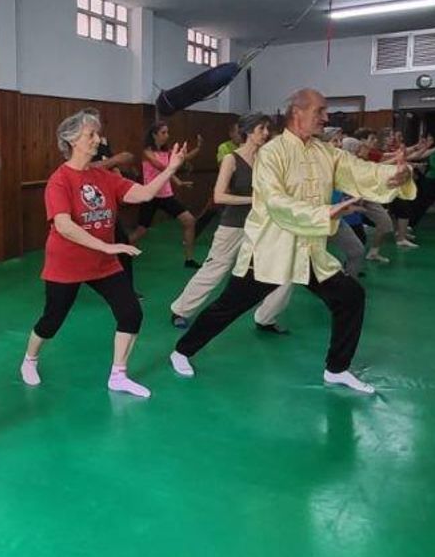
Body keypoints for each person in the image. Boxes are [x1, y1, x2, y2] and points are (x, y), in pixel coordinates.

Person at [168, 89, 416, 394]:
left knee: (351, 297)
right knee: (229, 306)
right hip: (271, 249)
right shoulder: (271, 154)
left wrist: (396, 175)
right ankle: (182, 351)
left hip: (309, 251)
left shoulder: (326, 152)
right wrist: (325, 212)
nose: (326, 117)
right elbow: (277, 202)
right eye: (320, 111)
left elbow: (360, 171)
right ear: (297, 112)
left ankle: (337, 369)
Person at [19, 110, 185, 398]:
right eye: (91, 135)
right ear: (71, 139)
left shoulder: (103, 176)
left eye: (98, 133)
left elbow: (144, 194)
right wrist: (108, 246)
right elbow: (64, 225)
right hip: (67, 263)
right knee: (52, 320)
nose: (99, 139)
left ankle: (118, 375)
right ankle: (29, 359)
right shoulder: (60, 180)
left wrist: (171, 169)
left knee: (131, 313)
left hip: (103, 263)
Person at [168, 113, 294, 332]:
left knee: (284, 269)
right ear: (247, 131)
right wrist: (253, 199)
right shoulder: (232, 159)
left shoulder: (267, 159)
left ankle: (266, 317)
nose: (265, 133)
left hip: (263, 225)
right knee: (216, 268)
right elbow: (219, 196)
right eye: (261, 129)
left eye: (267, 129)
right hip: (234, 225)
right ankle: (180, 310)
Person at [129, 120, 202, 268]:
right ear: (154, 134)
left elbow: (180, 161)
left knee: (189, 221)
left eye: (167, 132)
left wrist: (198, 148)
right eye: (163, 132)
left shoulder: (166, 153)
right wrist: (176, 163)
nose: (167, 135)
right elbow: (161, 167)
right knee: (141, 231)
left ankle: (189, 259)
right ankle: (120, 253)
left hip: (166, 196)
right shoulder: (147, 152)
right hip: (150, 196)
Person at [341, 136, 396, 264]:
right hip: (351, 199)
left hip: (364, 197)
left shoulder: (359, 160)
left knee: (384, 222)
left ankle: (372, 253)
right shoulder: (345, 162)